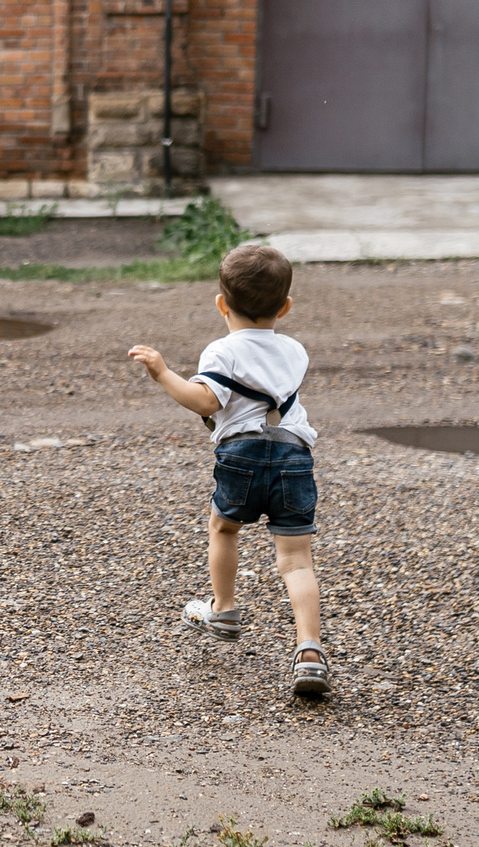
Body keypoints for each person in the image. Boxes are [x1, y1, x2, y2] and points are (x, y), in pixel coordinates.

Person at [126, 241, 329, 700]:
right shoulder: (295, 351)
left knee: (224, 527)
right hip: (295, 455)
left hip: (242, 455)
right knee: (296, 559)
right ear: (286, 307)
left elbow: (206, 401)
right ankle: (310, 650)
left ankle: (224, 609)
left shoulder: (222, 352)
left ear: (221, 304)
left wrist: (162, 373)